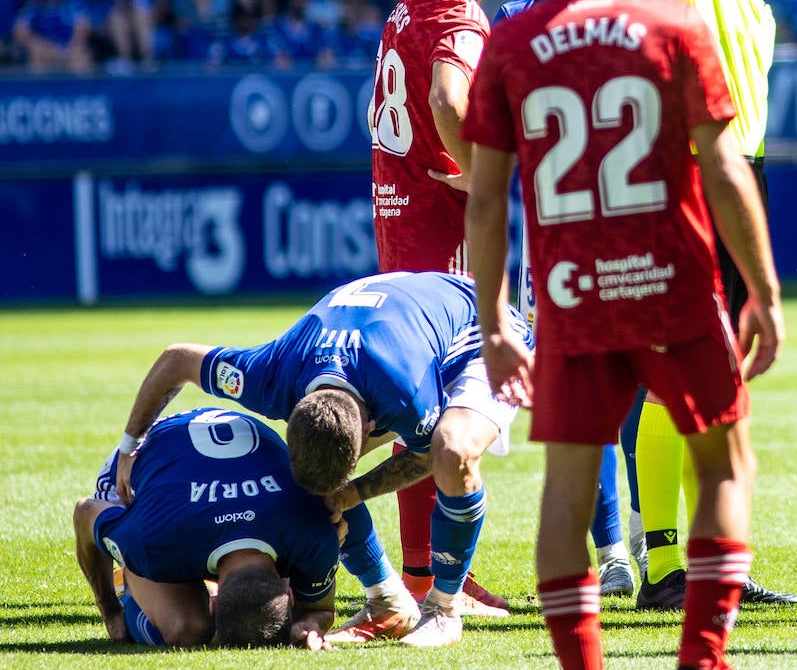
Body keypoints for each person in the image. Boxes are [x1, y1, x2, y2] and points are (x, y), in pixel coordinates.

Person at [462, 0, 785, 670]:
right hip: (674, 283)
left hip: (573, 291)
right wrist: (765, 290)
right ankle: (702, 656)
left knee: (567, 491)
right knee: (725, 462)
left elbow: (487, 200)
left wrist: (494, 319)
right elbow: (725, 170)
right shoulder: (675, 26)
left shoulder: (513, 39)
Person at [113, 271, 533, 649]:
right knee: (311, 492)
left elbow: (425, 459)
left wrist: (352, 494)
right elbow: (178, 360)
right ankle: (387, 602)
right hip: (386, 334)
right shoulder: (270, 374)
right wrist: (130, 445)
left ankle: (443, 609)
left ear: (372, 426)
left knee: (453, 449)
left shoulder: (403, 394)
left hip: (482, 329)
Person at [639, 0, 797, 610]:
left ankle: (696, 557)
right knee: (687, 368)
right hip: (696, 170)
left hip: (747, 175)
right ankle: (666, 563)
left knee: (724, 372)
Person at [370, 0, 526, 620]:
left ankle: (418, 569)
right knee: (442, 403)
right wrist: (479, 177)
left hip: (402, 217)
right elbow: (444, 99)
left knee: (415, 401)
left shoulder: (414, 0)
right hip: (440, 226)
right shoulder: (460, 14)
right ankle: (432, 576)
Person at [492, 0, 640, 600]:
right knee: (588, 402)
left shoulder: (635, 6)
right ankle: (611, 550)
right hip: (561, 247)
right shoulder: (515, 19)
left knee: (643, 397)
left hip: (632, 234)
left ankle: (646, 536)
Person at [75, 407, 338, 648]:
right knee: (186, 629)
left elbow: (320, 611)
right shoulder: (154, 539)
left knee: (213, 620)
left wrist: (309, 622)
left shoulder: (314, 533)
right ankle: (128, 579)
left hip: (223, 433)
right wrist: (111, 611)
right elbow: (85, 512)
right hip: (142, 450)